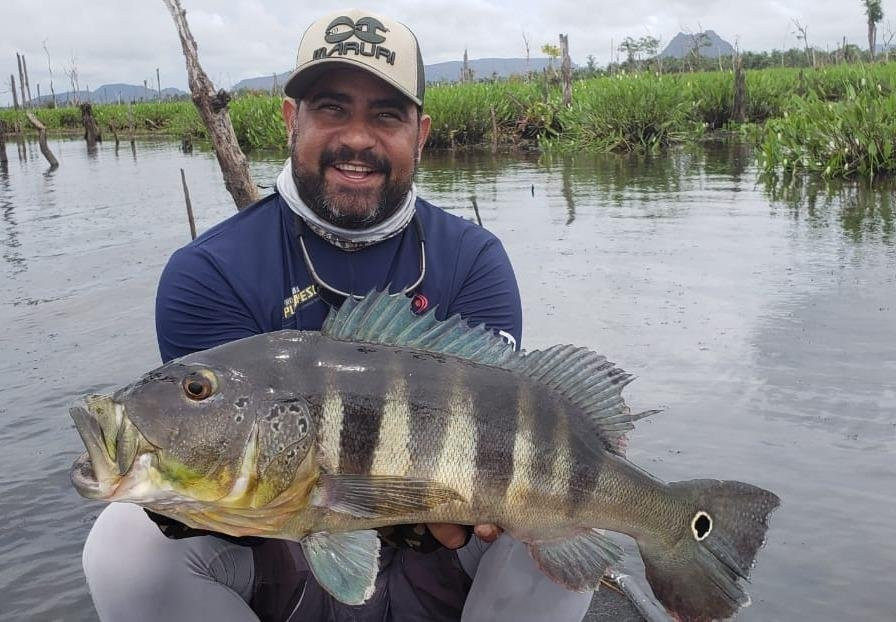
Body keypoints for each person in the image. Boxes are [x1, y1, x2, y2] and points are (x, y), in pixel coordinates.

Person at [82, 8, 594, 621]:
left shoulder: (474, 260)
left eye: (386, 114)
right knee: (125, 543)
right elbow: (226, 470)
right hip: (284, 560)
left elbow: (508, 423)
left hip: (444, 565)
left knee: (569, 514)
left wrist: (415, 513)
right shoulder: (209, 271)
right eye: (331, 108)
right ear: (290, 120)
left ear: (421, 133)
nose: (357, 138)